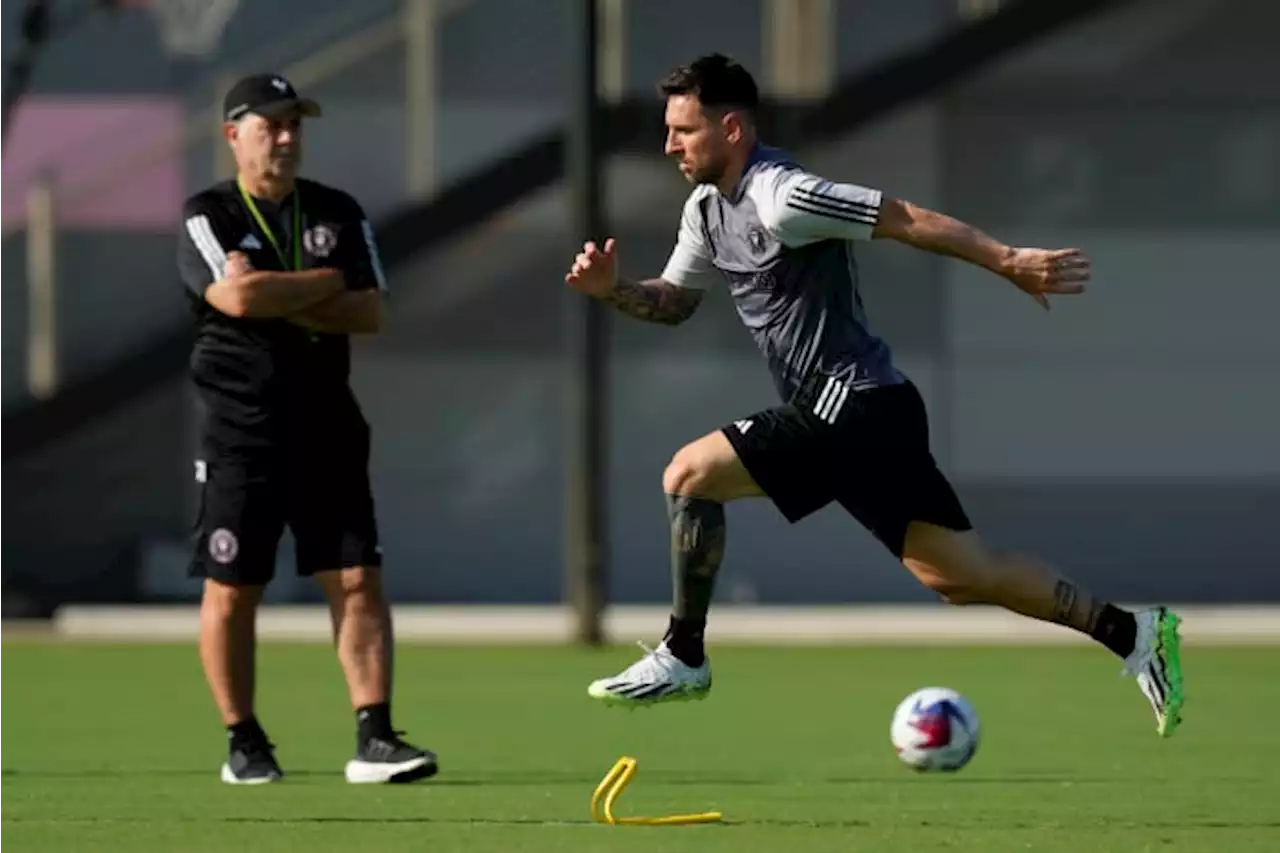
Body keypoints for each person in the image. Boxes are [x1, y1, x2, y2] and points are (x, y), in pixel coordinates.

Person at [564, 54, 1184, 737]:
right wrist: (611, 292)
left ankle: (684, 653)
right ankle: (1131, 630)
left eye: (683, 129)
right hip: (870, 412)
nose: (669, 144)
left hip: (851, 402)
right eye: (669, 130)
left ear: (732, 128)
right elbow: (674, 302)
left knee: (689, 473)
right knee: (961, 576)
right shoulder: (708, 210)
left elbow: (902, 216)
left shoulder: (784, 194)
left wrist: (1008, 261)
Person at [176, 72, 438, 784]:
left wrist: (270, 291)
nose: (287, 138)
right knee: (233, 588)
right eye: (271, 125)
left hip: (327, 425)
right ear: (234, 134)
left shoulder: (338, 210)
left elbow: (368, 311)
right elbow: (231, 294)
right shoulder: (208, 214)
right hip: (239, 432)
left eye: (296, 125)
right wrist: (323, 281)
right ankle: (244, 740)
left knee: (357, 577)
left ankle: (375, 737)